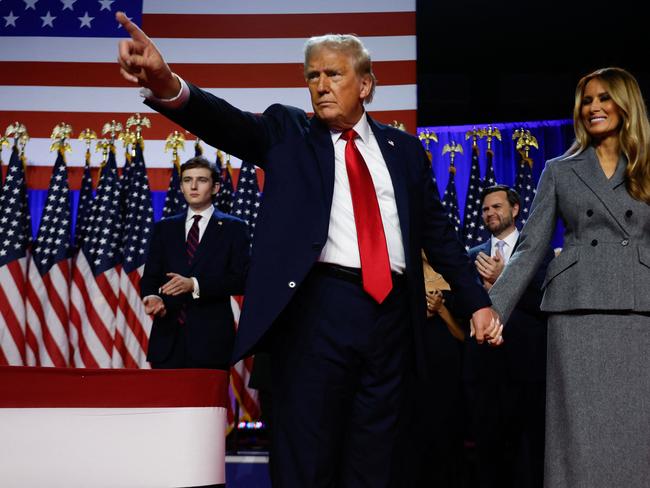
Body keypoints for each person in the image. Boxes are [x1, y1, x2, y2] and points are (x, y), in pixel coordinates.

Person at [116, 12, 500, 487]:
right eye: (312, 75)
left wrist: (478, 303)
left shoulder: (403, 150)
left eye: (333, 74)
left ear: (365, 86)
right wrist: (167, 82)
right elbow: (226, 123)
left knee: (378, 459)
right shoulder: (288, 133)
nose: (320, 85)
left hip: (394, 319)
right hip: (316, 311)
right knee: (308, 458)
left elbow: (438, 235)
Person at [488, 67, 650, 488]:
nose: (593, 107)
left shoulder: (647, 167)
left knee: (636, 426)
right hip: (577, 310)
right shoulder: (560, 170)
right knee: (579, 431)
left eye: (604, 98)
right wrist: (494, 308)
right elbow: (530, 247)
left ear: (625, 104)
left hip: (639, 305)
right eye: (587, 100)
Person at [463, 185, 553, 488]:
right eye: (486, 208)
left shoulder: (538, 253)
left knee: (529, 452)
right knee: (489, 452)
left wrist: (505, 281)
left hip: (529, 367)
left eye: (497, 207)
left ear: (514, 210)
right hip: (486, 370)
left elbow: (546, 302)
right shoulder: (471, 257)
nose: (490, 213)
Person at [140, 156, 250, 369]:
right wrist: (152, 297)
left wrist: (195, 285)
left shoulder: (234, 228)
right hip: (167, 340)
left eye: (201, 180)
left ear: (216, 187)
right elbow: (151, 276)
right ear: (180, 186)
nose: (193, 186)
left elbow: (241, 280)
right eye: (187, 180)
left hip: (212, 343)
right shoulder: (164, 228)